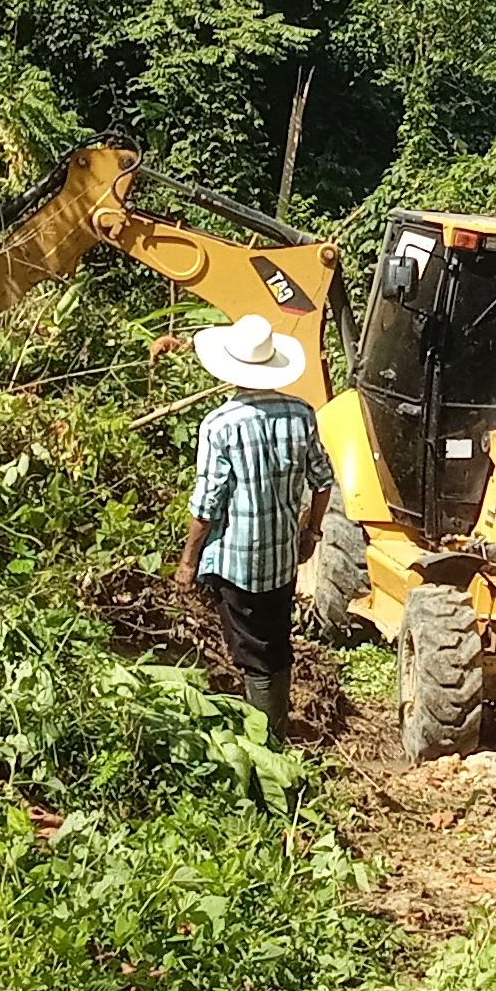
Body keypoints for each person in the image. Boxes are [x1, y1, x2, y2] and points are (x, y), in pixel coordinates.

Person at [174, 312, 334, 744]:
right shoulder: (300, 413)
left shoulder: (220, 425)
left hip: (238, 563)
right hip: (282, 558)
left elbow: (207, 504)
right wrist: (311, 532)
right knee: (276, 644)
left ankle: (265, 742)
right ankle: (271, 730)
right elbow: (323, 480)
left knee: (254, 655)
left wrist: (188, 563)